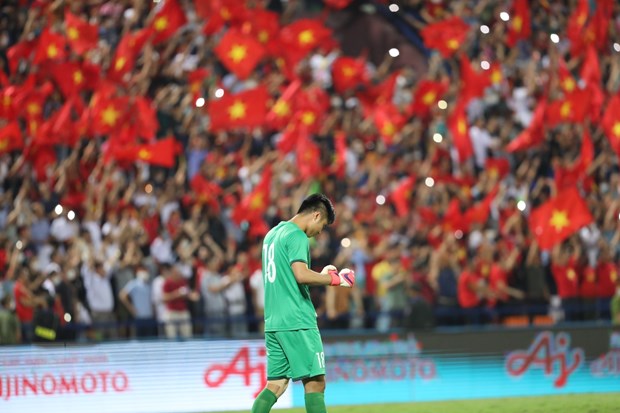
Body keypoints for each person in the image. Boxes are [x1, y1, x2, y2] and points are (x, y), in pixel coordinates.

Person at [251, 193, 355, 413]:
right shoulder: (297, 235)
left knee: (276, 384)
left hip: (274, 322)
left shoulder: (272, 234)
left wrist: (318, 273)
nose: (320, 232)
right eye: (323, 226)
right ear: (316, 215)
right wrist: (335, 280)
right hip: (297, 320)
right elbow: (300, 275)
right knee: (316, 383)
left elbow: (287, 278)